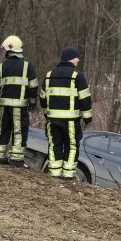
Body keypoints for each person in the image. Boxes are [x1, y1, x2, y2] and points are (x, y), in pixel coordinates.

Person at [39, 47, 92, 179]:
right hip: (71, 120)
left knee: (54, 145)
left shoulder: (49, 75)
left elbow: (43, 97)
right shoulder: (77, 75)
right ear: (70, 58)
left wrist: (47, 114)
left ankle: (55, 173)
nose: (78, 60)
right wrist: (87, 118)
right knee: (72, 145)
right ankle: (68, 175)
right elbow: (85, 99)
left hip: (52, 119)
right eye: (76, 57)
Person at [0, 35, 39, 167]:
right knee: (19, 131)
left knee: (3, 130)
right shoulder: (28, 67)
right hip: (19, 107)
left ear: (9, 50)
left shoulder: (1, 67)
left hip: (3, 107)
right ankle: (16, 159)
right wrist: (33, 103)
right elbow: (33, 86)